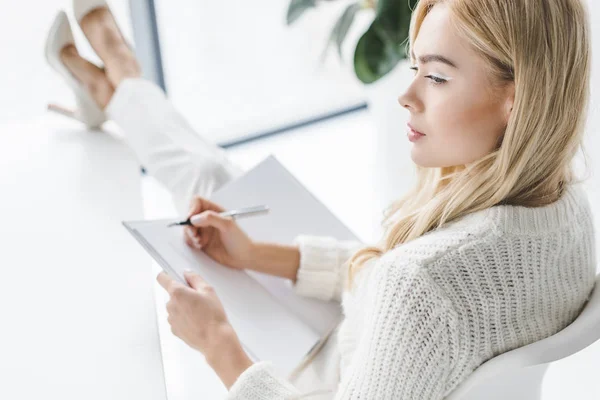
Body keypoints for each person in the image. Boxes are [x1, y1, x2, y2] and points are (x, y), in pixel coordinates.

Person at [45, 0, 597, 398]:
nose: (405, 95)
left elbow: (414, 290)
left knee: (208, 177)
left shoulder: (423, 288)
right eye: (414, 67)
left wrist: (218, 346)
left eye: (436, 77)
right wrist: (255, 254)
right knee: (216, 178)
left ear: (515, 98)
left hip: (327, 375)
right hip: (372, 348)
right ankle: (117, 86)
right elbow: (399, 283)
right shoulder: (565, 204)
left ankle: (117, 80)